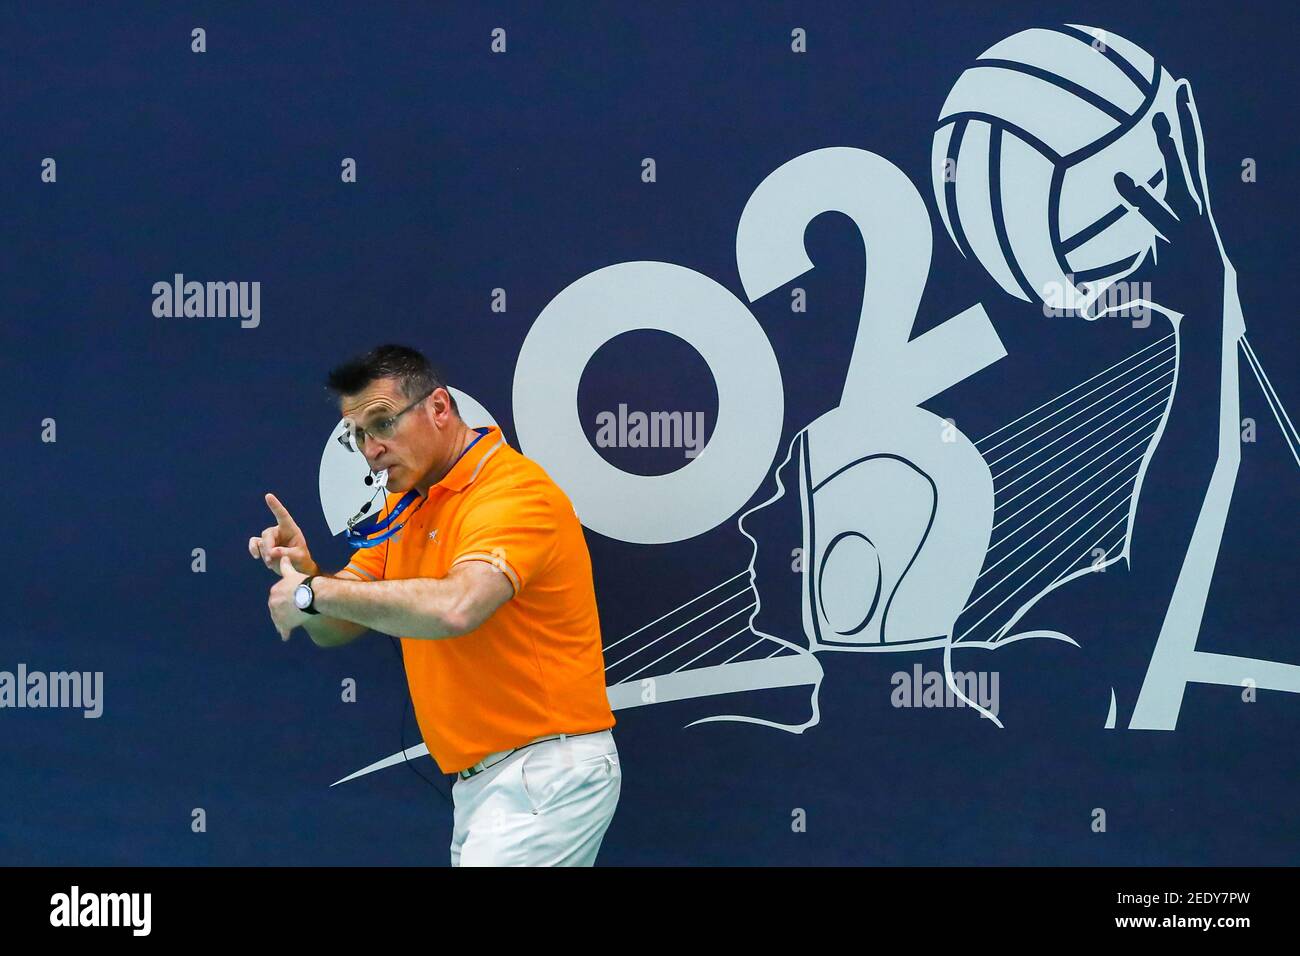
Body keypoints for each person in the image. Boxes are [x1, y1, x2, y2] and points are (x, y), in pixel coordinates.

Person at [249, 344, 620, 866]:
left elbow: (458, 607)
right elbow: (337, 628)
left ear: (439, 408)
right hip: (482, 784)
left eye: (382, 423)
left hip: (544, 772)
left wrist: (312, 594)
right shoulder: (406, 506)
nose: (371, 448)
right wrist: (305, 574)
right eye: (357, 435)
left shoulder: (514, 492)